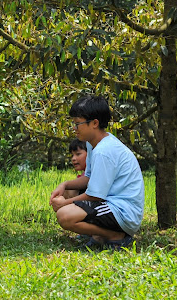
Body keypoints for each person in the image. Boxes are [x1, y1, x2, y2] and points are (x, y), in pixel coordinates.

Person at [49, 95, 144, 250]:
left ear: (94, 123)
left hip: (123, 212)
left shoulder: (103, 151)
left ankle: (114, 236)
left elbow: (95, 195)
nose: (75, 128)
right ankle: (97, 235)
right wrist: (64, 185)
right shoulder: (93, 144)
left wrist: (63, 204)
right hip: (111, 204)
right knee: (70, 190)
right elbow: (88, 178)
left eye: (78, 124)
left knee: (64, 215)